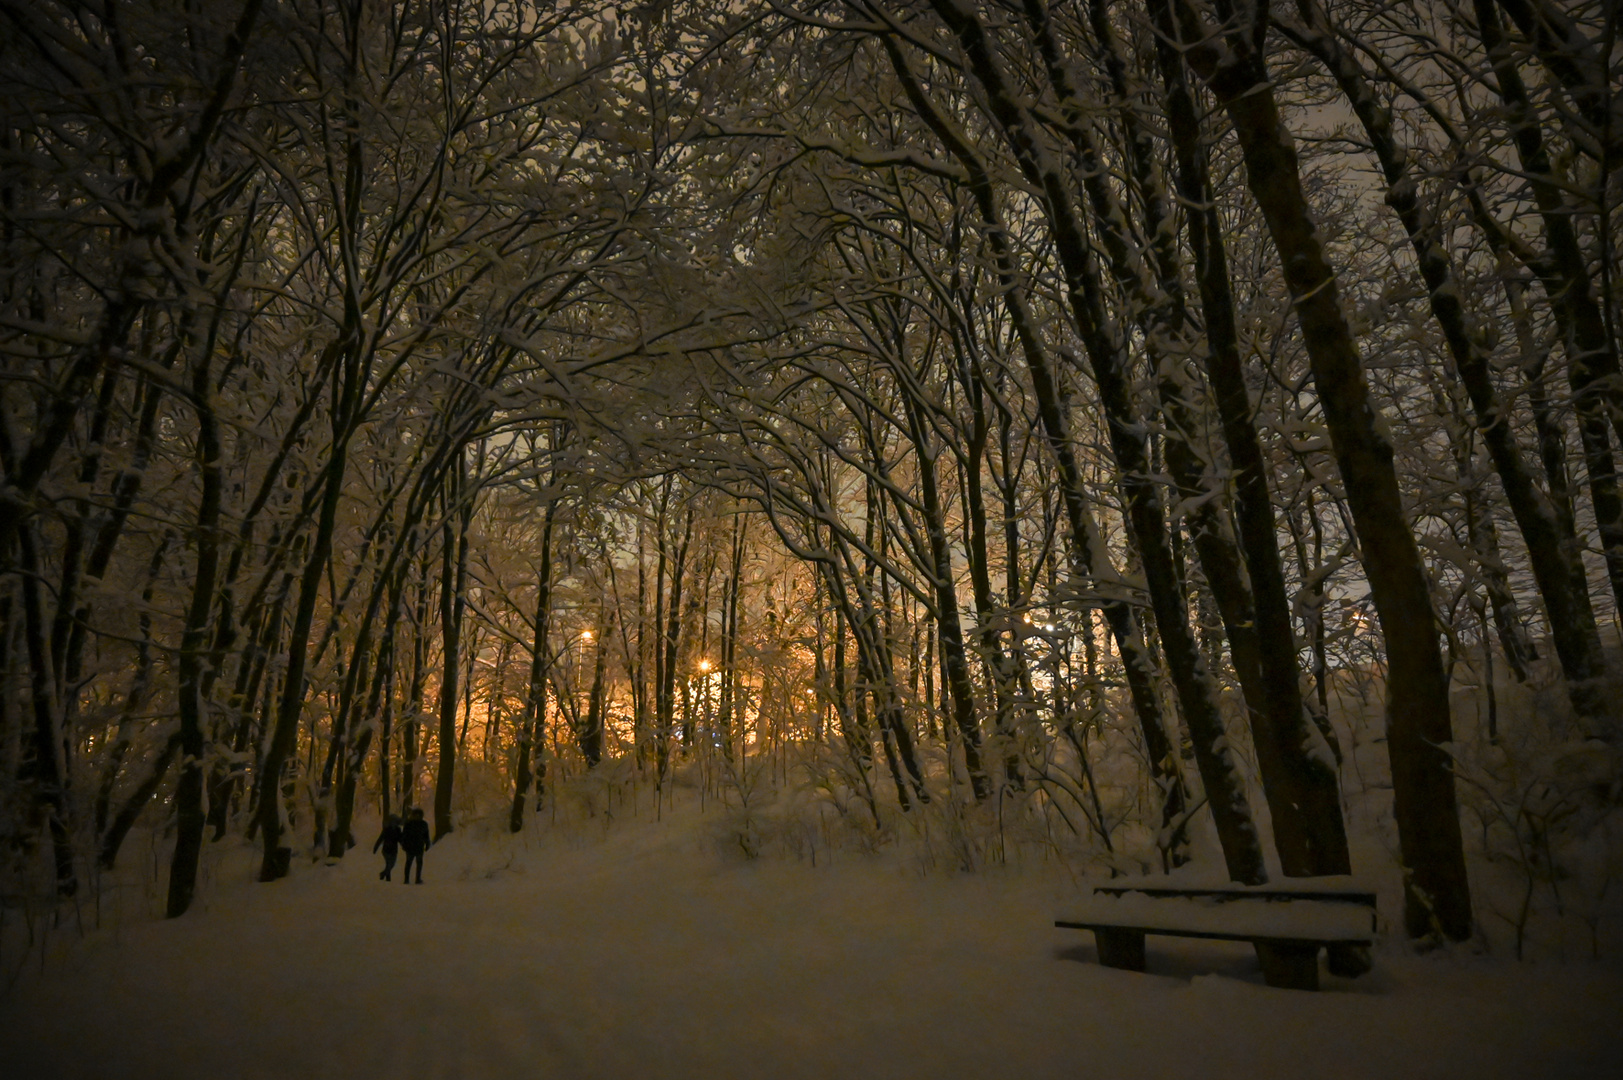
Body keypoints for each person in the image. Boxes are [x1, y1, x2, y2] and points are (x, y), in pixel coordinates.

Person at [400, 808, 430, 885]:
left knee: (412, 863)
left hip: (413, 846)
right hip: (415, 846)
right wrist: (427, 844)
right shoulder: (422, 824)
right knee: (415, 863)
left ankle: (410, 879)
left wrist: (403, 845)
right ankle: (414, 879)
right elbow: (426, 836)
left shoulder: (410, 823)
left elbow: (404, 835)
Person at [373, 814, 402, 881]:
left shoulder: (398, 830)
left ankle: (383, 874)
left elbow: (400, 839)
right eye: (392, 821)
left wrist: (404, 845)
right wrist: (375, 847)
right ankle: (388, 878)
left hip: (394, 849)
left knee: (392, 864)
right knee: (389, 863)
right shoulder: (386, 829)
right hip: (386, 849)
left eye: (395, 822)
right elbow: (380, 839)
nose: (393, 823)